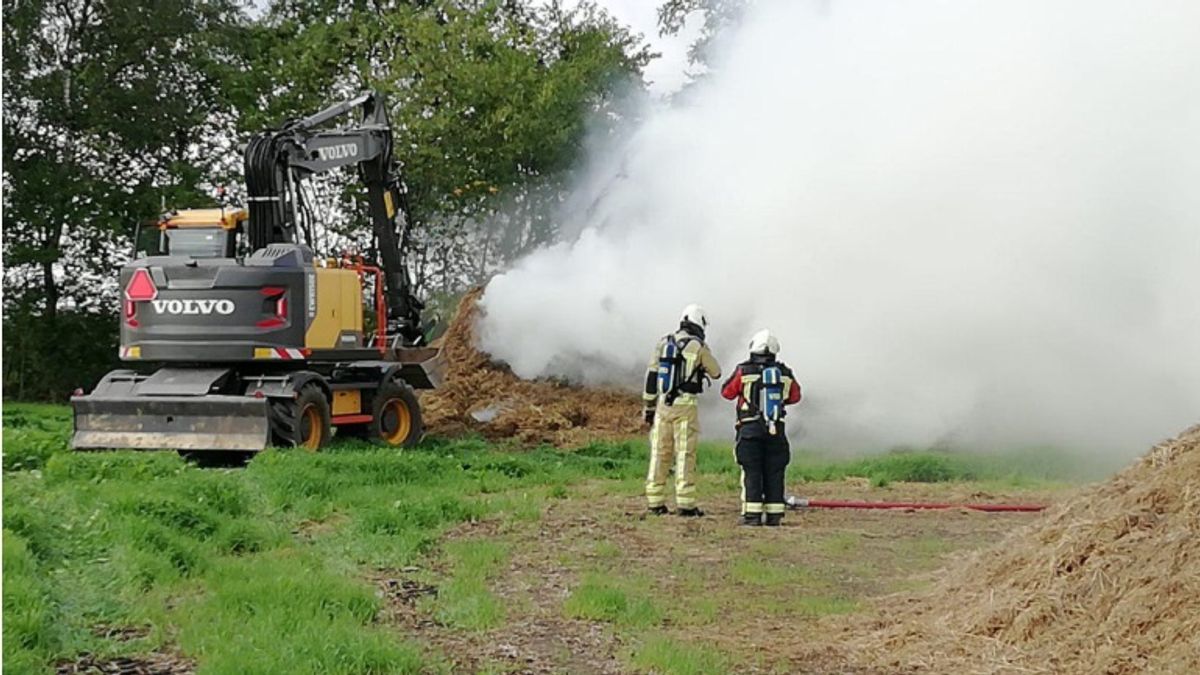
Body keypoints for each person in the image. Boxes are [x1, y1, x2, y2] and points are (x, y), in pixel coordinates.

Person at [642, 304, 722, 516]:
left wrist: (648, 407)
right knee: (685, 453)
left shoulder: (663, 342)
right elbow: (716, 372)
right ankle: (685, 504)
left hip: (662, 406)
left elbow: (651, 377)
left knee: (660, 452)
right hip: (686, 407)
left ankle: (655, 501)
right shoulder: (698, 346)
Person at [721, 329, 802, 526]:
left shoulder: (743, 371)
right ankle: (774, 516)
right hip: (776, 431)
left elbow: (727, 392)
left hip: (749, 430)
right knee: (775, 472)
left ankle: (752, 516)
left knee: (752, 472)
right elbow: (795, 396)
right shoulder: (784, 373)